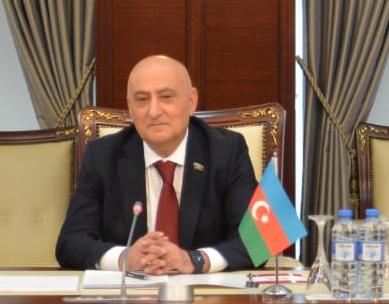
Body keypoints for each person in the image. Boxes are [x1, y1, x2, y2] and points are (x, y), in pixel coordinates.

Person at [56, 54, 257, 274]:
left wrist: (195, 260)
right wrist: (124, 258)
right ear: (130, 107)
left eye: (166, 97)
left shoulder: (226, 151)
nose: (153, 112)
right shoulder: (102, 156)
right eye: (142, 99)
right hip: (130, 291)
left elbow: (258, 240)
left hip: (205, 291)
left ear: (191, 101)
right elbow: (70, 242)